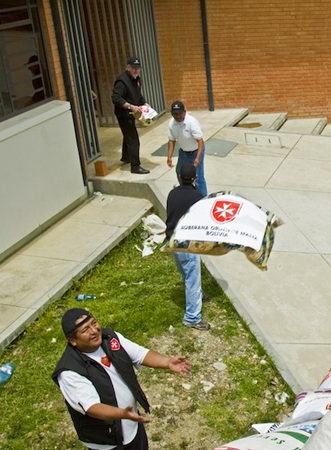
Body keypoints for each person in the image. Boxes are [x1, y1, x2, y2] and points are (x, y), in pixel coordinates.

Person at [52, 308, 191, 449]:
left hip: (132, 424)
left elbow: (140, 354)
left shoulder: (110, 338)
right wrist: (122, 414)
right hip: (106, 441)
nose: (94, 331)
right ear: (72, 340)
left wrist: (167, 362)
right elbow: (92, 407)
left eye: (94, 323)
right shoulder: (69, 371)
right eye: (85, 330)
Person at [165, 164, 210, 330]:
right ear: (194, 178)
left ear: (179, 177)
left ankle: (197, 295)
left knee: (186, 273)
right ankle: (192, 318)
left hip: (172, 240)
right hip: (187, 243)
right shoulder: (197, 197)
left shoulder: (172, 193)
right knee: (192, 278)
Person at [111, 56, 149, 174]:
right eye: (133, 68)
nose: (136, 70)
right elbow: (115, 98)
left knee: (128, 134)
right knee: (133, 139)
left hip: (133, 112)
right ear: (128, 68)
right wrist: (130, 106)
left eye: (138, 68)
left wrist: (144, 103)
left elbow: (137, 94)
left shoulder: (136, 79)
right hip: (124, 114)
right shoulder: (122, 81)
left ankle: (126, 157)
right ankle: (135, 166)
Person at [166, 101, 207, 196]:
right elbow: (171, 140)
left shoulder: (191, 122)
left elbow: (200, 142)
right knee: (179, 172)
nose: (178, 116)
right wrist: (169, 157)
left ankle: (203, 198)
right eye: (175, 114)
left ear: (184, 112)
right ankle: (186, 192)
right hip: (184, 152)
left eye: (180, 114)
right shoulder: (172, 124)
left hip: (196, 151)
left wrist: (197, 158)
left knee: (198, 177)